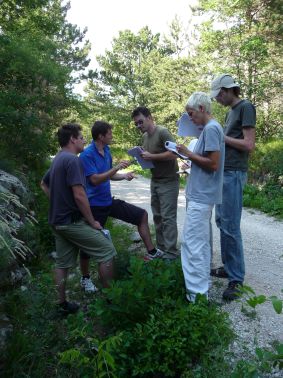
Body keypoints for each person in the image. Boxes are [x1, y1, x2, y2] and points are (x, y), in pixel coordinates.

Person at [40, 123, 116, 315]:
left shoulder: (58, 158)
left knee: (63, 264)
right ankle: (112, 300)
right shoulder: (73, 160)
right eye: (81, 137)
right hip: (71, 222)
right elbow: (80, 195)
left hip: (57, 221)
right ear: (72, 139)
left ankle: (62, 304)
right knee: (107, 251)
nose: (84, 140)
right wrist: (92, 221)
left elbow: (44, 184)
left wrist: (58, 203)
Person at [78, 120, 163, 289]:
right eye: (109, 133)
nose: (112, 136)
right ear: (101, 136)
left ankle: (152, 252)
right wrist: (116, 168)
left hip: (108, 201)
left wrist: (123, 176)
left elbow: (108, 176)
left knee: (141, 215)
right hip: (94, 205)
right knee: (88, 246)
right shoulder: (87, 155)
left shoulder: (107, 150)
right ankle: (85, 278)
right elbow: (94, 180)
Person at [210, 74, 256, 300]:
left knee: (230, 226)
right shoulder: (230, 112)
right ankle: (229, 267)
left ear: (228, 90)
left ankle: (236, 279)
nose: (217, 100)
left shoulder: (246, 107)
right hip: (223, 171)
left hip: (234, 172)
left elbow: (249, 144)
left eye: (218, 95)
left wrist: (222, 138)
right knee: (222, 222)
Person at [176, 92, 225, 303]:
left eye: (191, 114)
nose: (190, 119)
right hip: (201, 194)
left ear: (202, 109)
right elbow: (205, 160)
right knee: (200, 243)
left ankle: (195, 298)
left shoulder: (212, 129)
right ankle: (200, 290)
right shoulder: (210, 129)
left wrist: (188, 154)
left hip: (202, 196)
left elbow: (213, 164)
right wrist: (192, 159)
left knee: (192, 244)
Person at [131, 106, 179, 259]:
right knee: (157, 216)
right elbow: (149, 157)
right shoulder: (145, 137)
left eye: (140, 122)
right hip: (155, 180)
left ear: (149, 117)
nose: (139, 126)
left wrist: (151, 156)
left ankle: (171, 254)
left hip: (169, 180)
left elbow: (174, 154)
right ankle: (161, 249)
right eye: (136, 124)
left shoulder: (162, 132)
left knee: (168, 217)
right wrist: (140, 156)